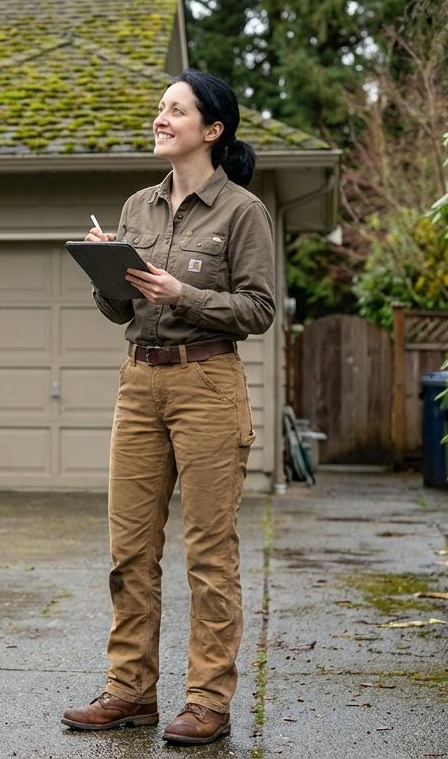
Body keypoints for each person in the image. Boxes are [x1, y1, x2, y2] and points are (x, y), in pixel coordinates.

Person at [60, 69, 276, 746]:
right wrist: (107, 273)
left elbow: (259, 310)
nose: (161, 118)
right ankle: (129, 692)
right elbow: (119, 308)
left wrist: (182, 294)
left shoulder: (242, 211)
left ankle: (208, 700)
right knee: (129, 551)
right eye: (160, 109)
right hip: (139, 382)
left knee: (209, 553)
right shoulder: (136, 208)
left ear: (211, 130)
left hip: (207, 383)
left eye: (175, 110)